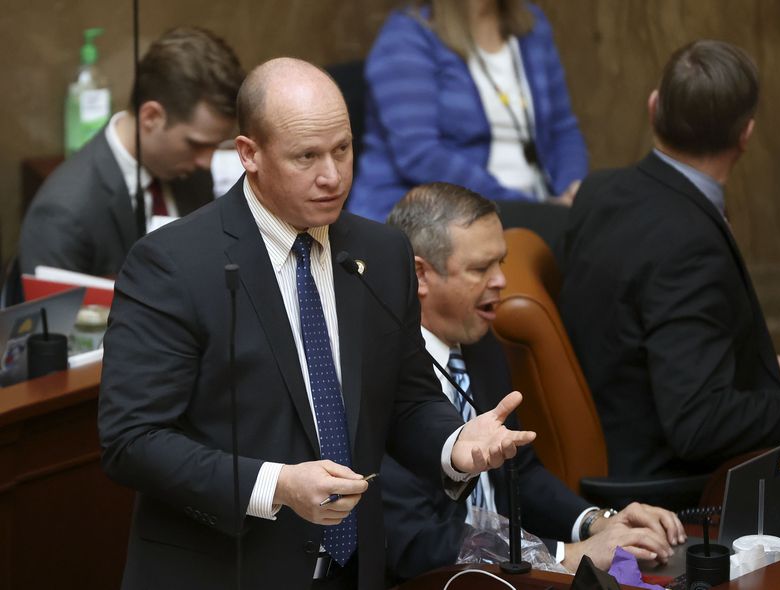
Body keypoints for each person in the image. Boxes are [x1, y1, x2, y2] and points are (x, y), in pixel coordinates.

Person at [97, 58, 536, 590]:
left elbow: (408, 398)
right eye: (306, 156)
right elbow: (133, 441)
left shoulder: (381, 251)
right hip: (226, 569)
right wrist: (275, 485)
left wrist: (455, 445)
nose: (332, 175)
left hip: (354, 569)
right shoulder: (173, 263)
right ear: (249, 155)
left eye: (343, 149)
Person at [381, 182, 685, 583]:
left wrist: (597, 522)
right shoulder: (379, 372)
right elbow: (418, 541)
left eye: (500, 262)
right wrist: (564, 555)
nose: (501, 281)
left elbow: (519, 473)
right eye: (479, 268)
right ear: (420, 273)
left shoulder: (480, 343)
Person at [558, 40, 780, 480]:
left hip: (604, 448)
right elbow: (700, 424)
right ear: (746, 134)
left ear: (653, 108)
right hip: (666, 490)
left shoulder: (600, 191)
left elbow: (638, 334)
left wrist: (765, 365)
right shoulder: (690, 246)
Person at [18, 26, 244, 277]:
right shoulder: (64, 213)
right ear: (151, 117)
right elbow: (54, 314)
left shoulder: (191, 172)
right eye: (196, 144)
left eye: (215, 145)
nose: (207, 161)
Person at [347, 0, 587, 222]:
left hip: (538, 210)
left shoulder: (532, 23)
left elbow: (562, 128)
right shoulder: (406, 35)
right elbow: (420, 155)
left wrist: (573, 192)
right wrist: (533, 209)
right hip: (440, 219)